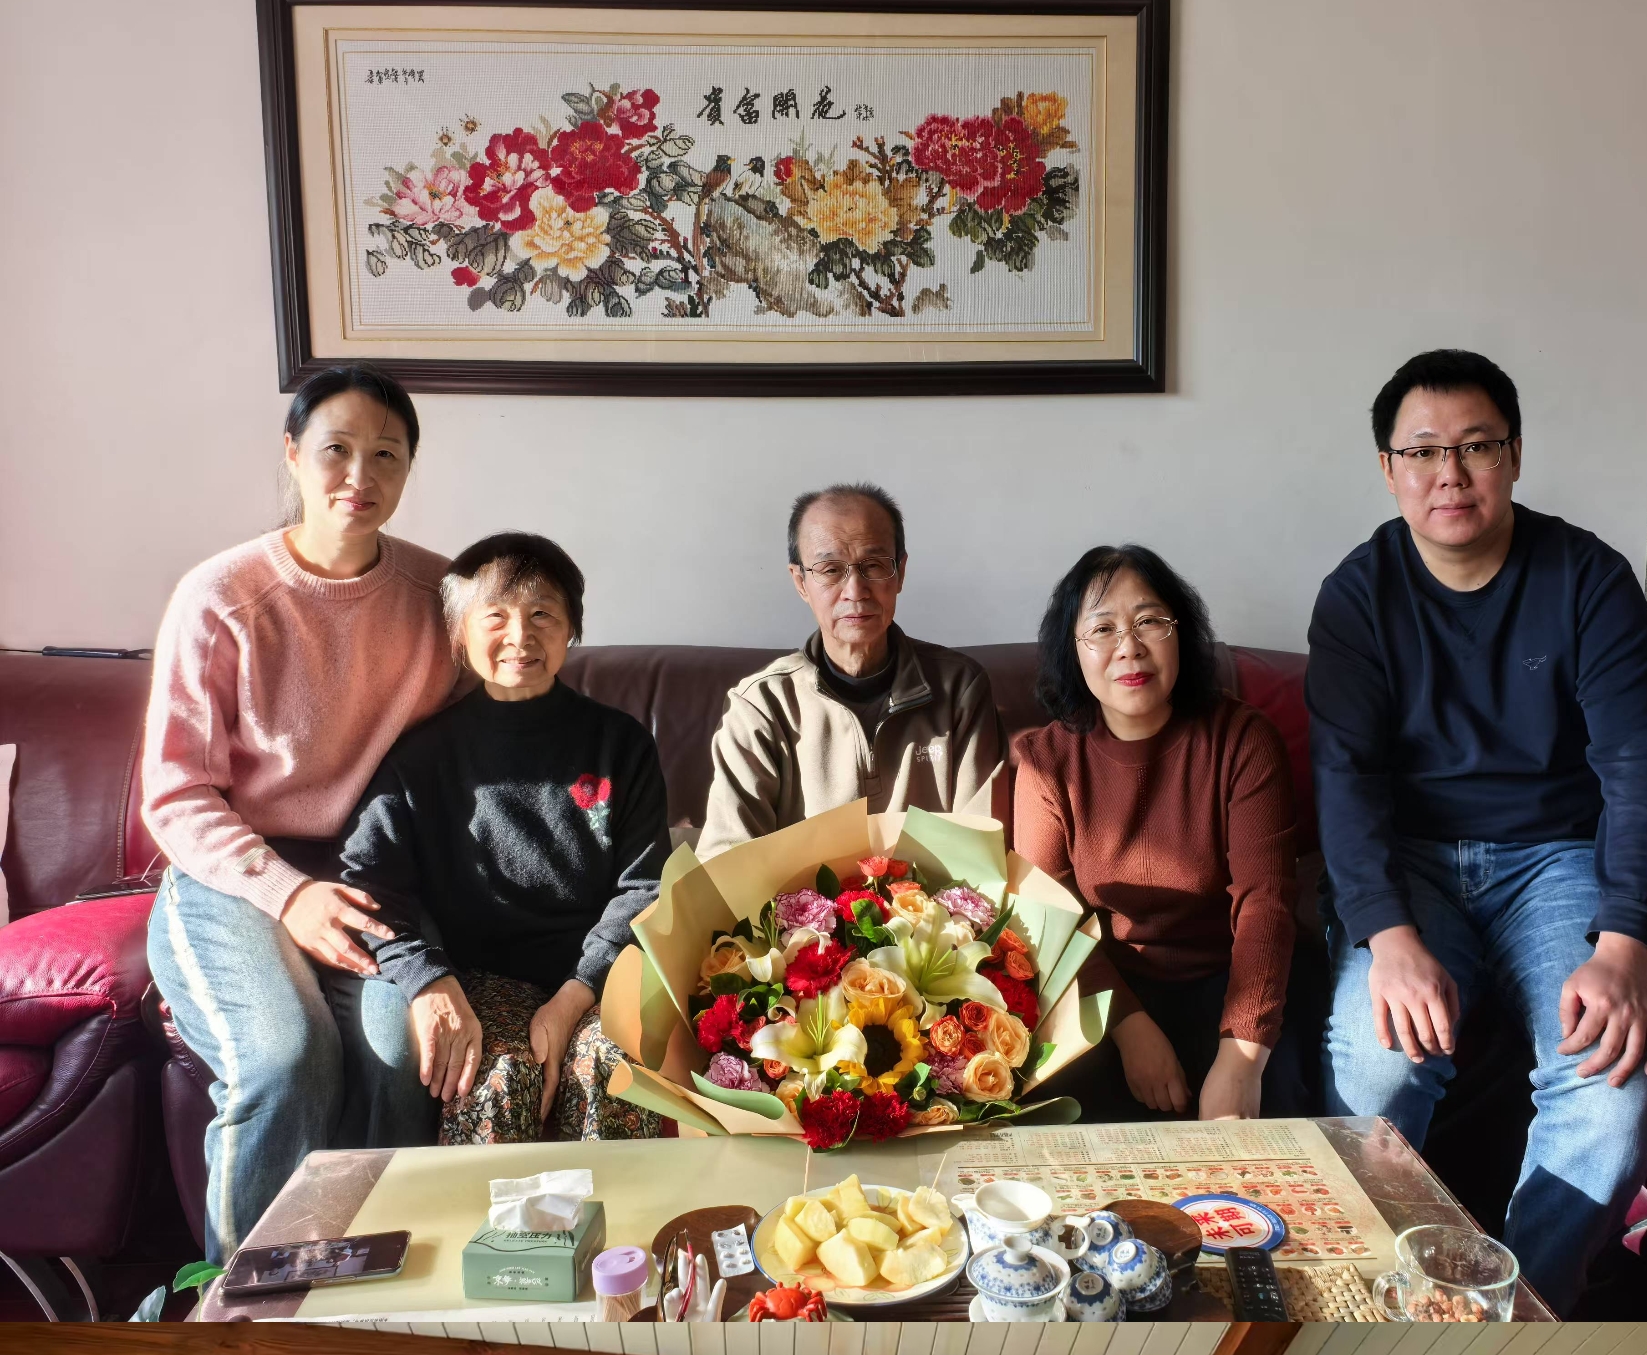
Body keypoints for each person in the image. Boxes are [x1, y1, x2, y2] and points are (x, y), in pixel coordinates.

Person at [1308, 348, 1647, 1313]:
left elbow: (1638, 766)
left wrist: (1624, 945)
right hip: (1411, 869)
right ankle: (1378, 1302)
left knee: (1613, 1085)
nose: (1450, 473)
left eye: (1475, 446)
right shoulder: (1358, 595)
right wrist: (1386, 937)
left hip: (1557, 860)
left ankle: (1513, 1315)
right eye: (1423, 451)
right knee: (1376, 1064)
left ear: (1512, 455)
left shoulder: (1587, 578)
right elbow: (1345, 782)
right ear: (1387, 468)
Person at [142, 367, 454, 1257]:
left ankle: (368, 1290)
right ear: (292, 454)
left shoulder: (439, 596)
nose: (360, 474)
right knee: (288, 1055)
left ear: (408, 469)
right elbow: (175, 793)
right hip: (232, 875)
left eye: (386, 455)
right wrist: (287, 893)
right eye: (336, 450)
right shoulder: (221, 596)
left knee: (403, 1053)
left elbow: (498, 736)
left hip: (370, 877)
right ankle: (239, 1299)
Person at [338, 531, 669, 1145]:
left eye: (543, 614)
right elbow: (371, 882)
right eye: (496, 617)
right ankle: (492, 1215)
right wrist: (425, 976)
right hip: (480, 980)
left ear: (572, 629)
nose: (521, 636)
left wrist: (574, 997)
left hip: (599, 976)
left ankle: (623, 1213)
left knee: (612, 1065)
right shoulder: (422, 757)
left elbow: (646, 885)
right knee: (493, 1076)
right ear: (459, 633)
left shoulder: (620, 743)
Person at [1012, 544, 1300, 1122]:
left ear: (1181, 633)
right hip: (1101, 990)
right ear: (1072, 649)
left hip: (1233, 984)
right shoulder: (1046, 761)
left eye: (1149, 621)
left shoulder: (1243, 741)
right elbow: (1049, 916)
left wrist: (1240, 1059)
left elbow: (1265, 902)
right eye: (1103, 628)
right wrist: (1129, 1027)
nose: (1129, 647)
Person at [698, 483, 1005, 854]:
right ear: (801, 582)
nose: (855, 590)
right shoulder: (760, 706)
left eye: (873, 566)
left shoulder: (959, 689)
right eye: (830, 570)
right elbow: (726, 860)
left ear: (900, 573)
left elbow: (980, 847)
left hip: (933, 893)